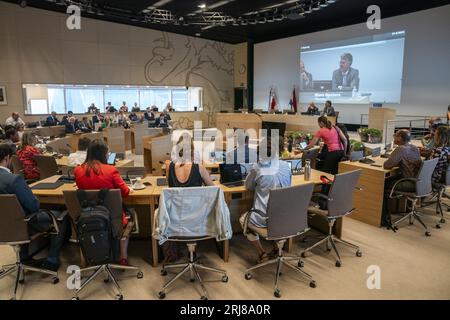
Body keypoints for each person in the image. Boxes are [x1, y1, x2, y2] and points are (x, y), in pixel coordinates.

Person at [0, 144, 69, 271]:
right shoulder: (14, 180)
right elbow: (34, 206)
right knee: (61, 215)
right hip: (21, 225)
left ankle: (25, 257)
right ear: (7, 158)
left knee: (19, 214)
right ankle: (52, 259)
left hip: (3, 227)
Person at [74, 139, 134, 266]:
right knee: (130, 216)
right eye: (107, 152)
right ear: (103, 154)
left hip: (88, 219)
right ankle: (123, 257)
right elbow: (126, 193)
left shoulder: (78, 171)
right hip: (113, 219)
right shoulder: (110, 170)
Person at [239, 136, 292, 263]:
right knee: (274, 211)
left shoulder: (258, 168)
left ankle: (262, 253)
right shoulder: (286, 166)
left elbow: (248, 186)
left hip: (264, 218)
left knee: (242, 219)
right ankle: (276, 245)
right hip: (284, 216)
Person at [162, 135, 214, 262]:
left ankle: (172, 252)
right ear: (192, 150)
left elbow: (172, 189)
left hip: (176, 218)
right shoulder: (199, 168)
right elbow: (213, 189)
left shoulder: (170, 167)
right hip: (196, 219)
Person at [382, 130, 422, 228]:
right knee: (391, 178)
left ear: (400, 137)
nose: (394, 137)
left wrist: (394, 158)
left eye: (395, 135)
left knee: (382, 184)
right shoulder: (414, 147)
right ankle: (404, 208)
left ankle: (384, 219)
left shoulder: (401, 149)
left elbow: (387, 165)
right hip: (419, 181)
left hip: (409, 182)